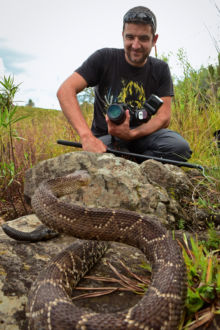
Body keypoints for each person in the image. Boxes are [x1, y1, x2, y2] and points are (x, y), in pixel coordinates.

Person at [57, 6, 192, 162]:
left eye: (143, 38)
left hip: (143, 136)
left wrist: (132, 134)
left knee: (179, 147)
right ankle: (132, 160)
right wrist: (87, 136)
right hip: (106, 137)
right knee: (106, 151)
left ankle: (133, 164)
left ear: (154, 40)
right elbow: (65, 90)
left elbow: (164, 117)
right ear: (122, 36)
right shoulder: (104, 58)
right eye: (130, 37)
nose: (135, 45)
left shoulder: (160, 68)